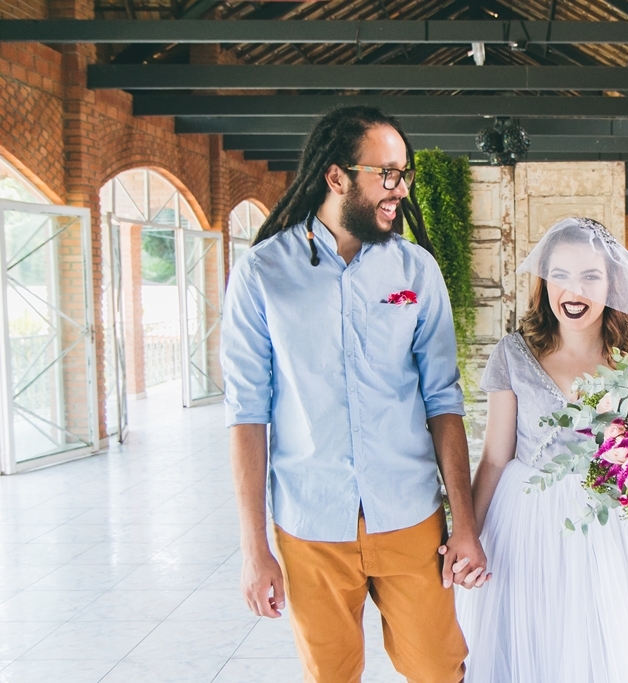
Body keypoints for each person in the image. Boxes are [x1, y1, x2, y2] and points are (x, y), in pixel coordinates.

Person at [221, 106, 486, 683]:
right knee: (330, 674)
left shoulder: (418, 272)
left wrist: (463, 524)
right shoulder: (261, 273)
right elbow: (247, 414)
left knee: (439, 668)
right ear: (336, 175)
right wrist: (253, 549)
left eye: (405, 173)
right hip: (309, 521)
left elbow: (445, 402)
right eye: (386, 173)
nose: (400, 188)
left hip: (410, 515)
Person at [454, 217, 628, 683]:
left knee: (607, 642)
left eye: (590, 276)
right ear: (545, 280)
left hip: (609, 525)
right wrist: (467, 533)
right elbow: (494, 457)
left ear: (612, 283)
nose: (574, 290)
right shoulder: (514, 353)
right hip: (526, 521)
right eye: (561, 276)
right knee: (534, 639)